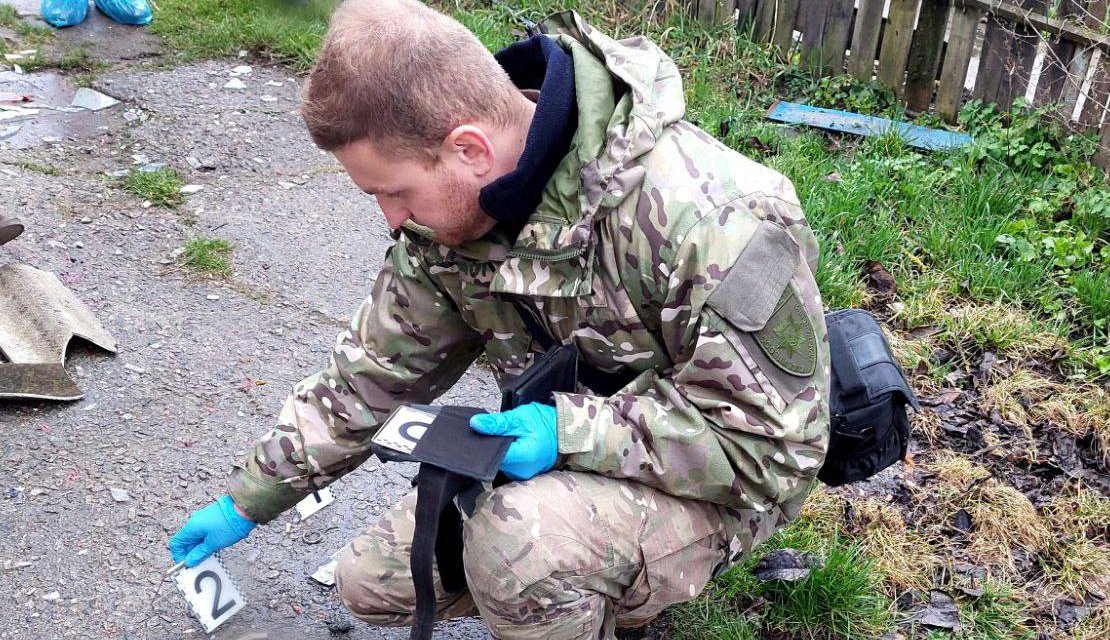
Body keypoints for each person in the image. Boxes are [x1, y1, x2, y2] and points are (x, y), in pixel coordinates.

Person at [168, 0, 831, 637]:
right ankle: (577, 573)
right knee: (370, 583)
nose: (392, 219)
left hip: (722, 484)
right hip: (584, 452)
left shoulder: (713, 221)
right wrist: (248, 500)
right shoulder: (449, 228)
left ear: (470, 150)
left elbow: (773, 449)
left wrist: (567, 432)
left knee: (517, 549)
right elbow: (369, 378)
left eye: (394, 193)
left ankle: (583, 574)